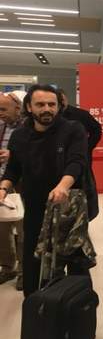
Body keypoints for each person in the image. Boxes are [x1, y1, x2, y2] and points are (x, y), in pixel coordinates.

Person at [0, 84, 91, 297]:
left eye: (52, 104)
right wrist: (3, 188)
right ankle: (35, 304)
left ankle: (80, 308)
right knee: (33, 261)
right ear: (29, 107)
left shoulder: (73, 129)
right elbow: (13, 169)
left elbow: (77, 162)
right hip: (34, 207)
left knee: (76, 263)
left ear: (59, 106)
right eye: (40, 104)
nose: (47, 109)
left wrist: (63, 186)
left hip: (68, 207)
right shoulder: (20, 136)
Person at [0, 92, 25, 290]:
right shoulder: (1, 126)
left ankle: (25, 271)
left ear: (18, 108)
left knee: (24, 228)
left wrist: (14, 155)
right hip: (2, 183)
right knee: (2, 227)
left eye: (3, 109)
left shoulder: (29, 127)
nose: (0, 113)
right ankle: (8, 267)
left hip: (22, 183)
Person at [56, 88, 102, 164]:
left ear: (66, 99)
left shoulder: (81, 114)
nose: (62, 103)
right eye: (59, 101)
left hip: (80, 158)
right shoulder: (51, 117)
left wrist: (88, 146)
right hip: (58, 159)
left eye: (62, 100)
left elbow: (97, 130)